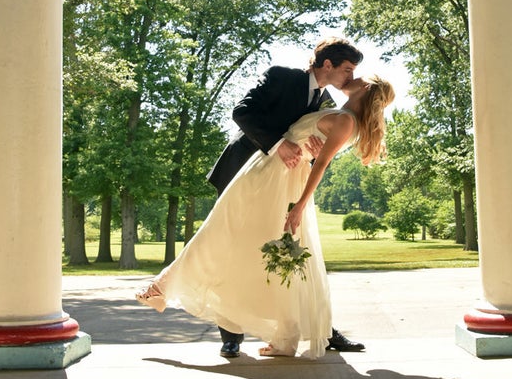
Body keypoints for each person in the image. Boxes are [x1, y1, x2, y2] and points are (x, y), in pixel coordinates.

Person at [136, 73, 395, 360]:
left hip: (272, 179)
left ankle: (161, 287)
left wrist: (299, 205)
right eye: (347, 69)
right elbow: (289, 128)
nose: (351, 76)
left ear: (367, 87)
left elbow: (321, 165)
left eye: (355, 73)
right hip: (272, 174)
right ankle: (282, 336)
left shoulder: (346, 119)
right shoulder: (338, 111)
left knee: (224, 234)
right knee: (251, 244)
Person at [207, 36, 364, 357]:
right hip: (242, 174)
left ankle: (321, 329)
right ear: (328, 64)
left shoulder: (323, 102)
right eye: (347, 69)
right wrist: (280, 144)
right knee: (237, 253)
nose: (350, 76)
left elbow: (304, 134)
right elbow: (242, 113)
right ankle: (231, 335)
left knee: (294, 250)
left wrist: (309, 145)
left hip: (279, 185)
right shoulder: (281, 75)